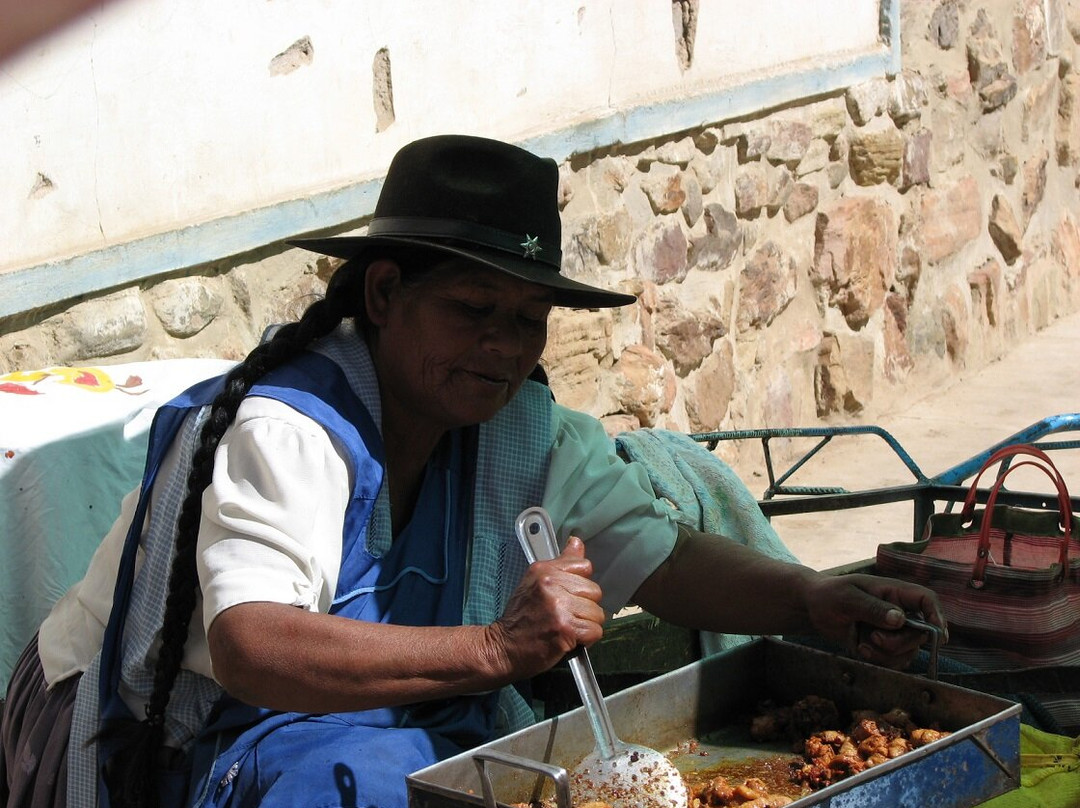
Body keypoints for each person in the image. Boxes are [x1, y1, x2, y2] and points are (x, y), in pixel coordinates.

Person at [0, 134, 947, 808]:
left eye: (528, 320)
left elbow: (660, 559)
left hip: (340, 721)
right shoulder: (292, 431)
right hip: (156, 727)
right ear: (384, 293)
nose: (503, 346)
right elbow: (250, 644)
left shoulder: (522, 432)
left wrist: (807, 599)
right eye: (471, 309)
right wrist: (496, 649)